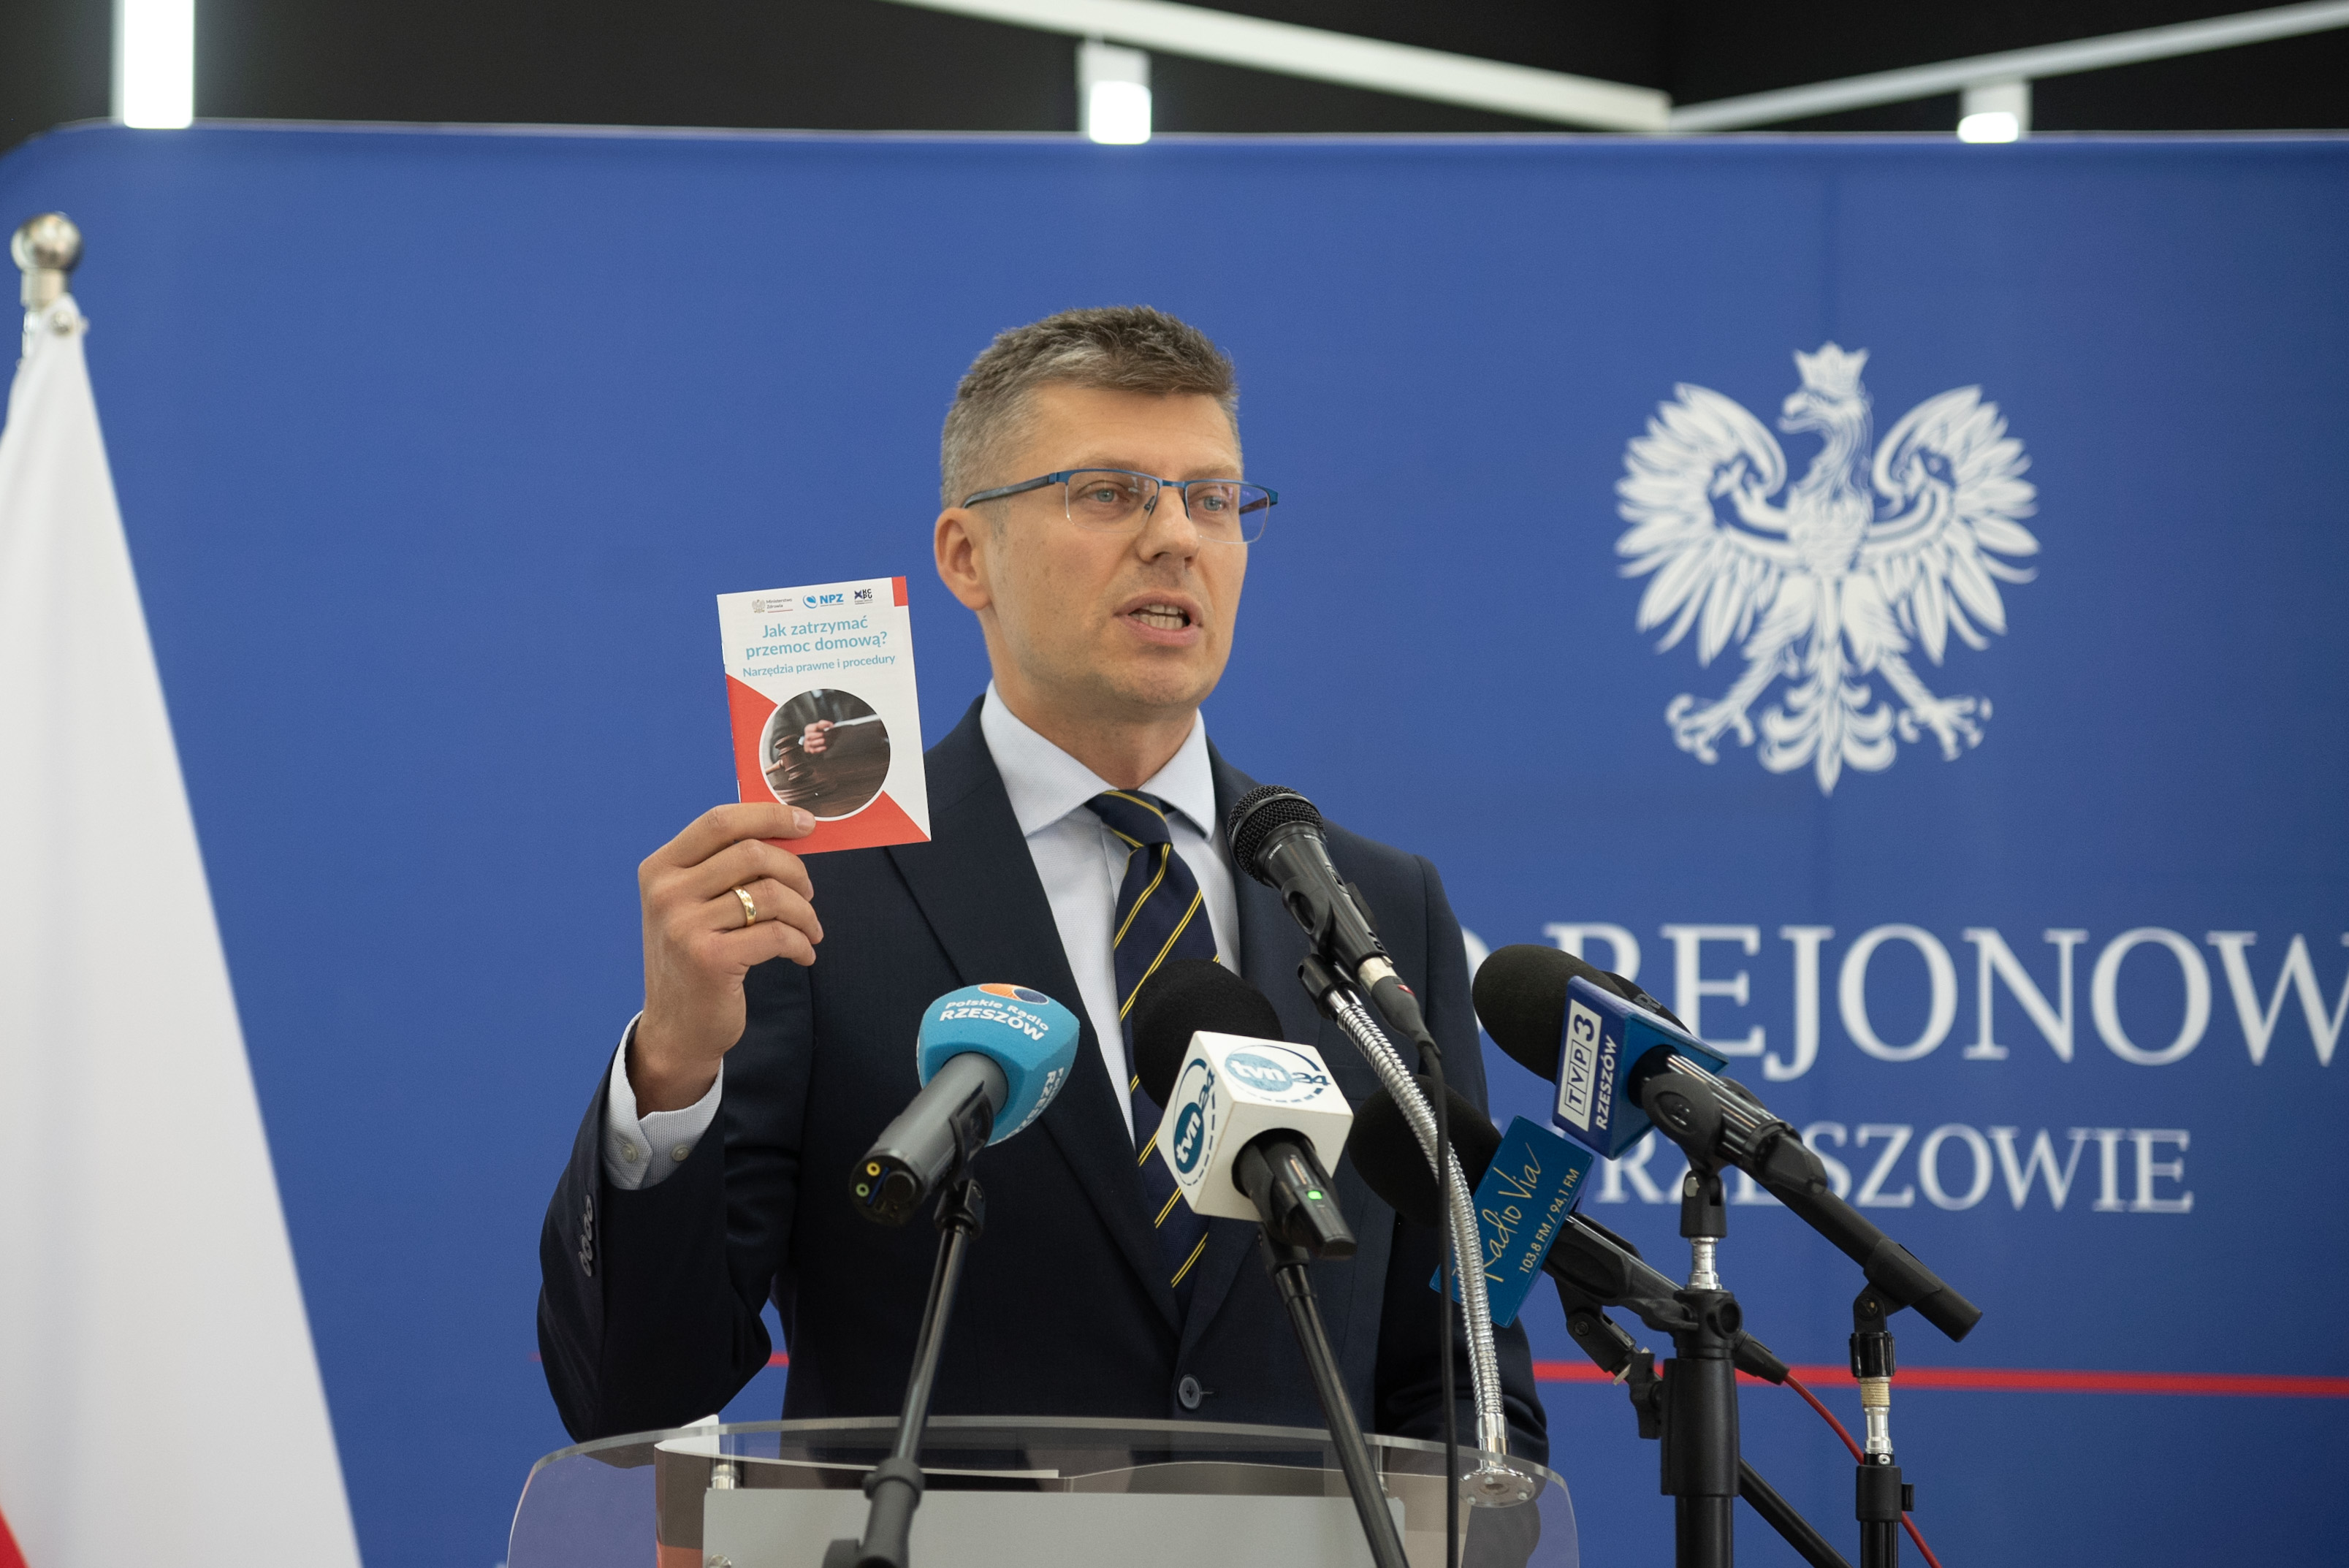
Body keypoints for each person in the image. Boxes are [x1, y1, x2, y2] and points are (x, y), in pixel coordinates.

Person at [537, 307, 1547, 1463]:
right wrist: (673, 1069)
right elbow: (634, 1395)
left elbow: (1467, 1388)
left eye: (1213, 499)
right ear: (967, 555)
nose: (1176, 538)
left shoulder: (1377, 908)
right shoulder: (820, 894)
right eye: (1110, 493)